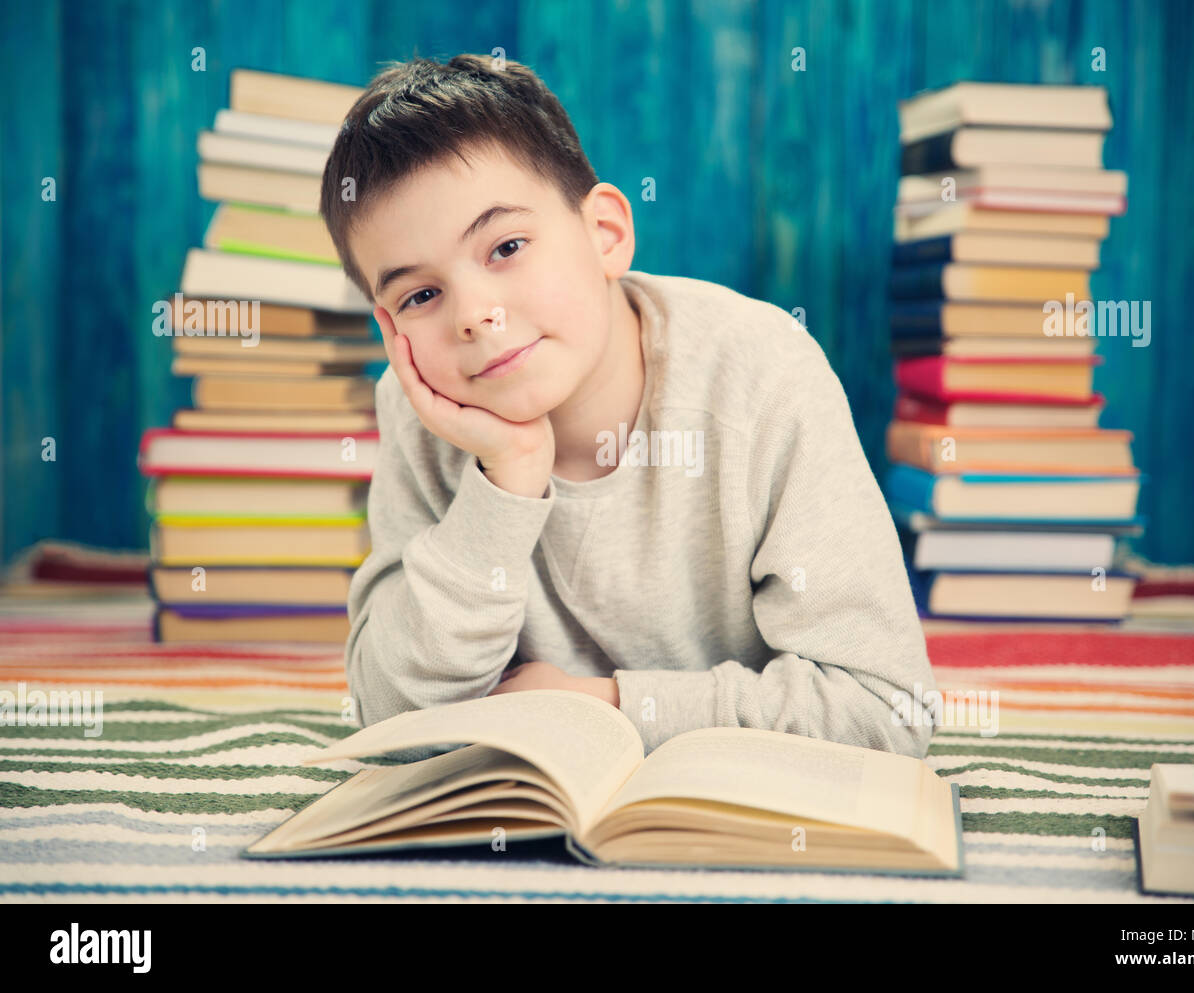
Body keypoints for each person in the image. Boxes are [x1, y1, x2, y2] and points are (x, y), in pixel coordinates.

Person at [319, 53, 938, 757]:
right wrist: (507, 477)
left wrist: (605, 705)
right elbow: (393, 716)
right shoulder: (422, 408)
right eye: (420, 296)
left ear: (604, 234)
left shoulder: (762, 372)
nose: (473, 314)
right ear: (390, 328)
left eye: (506, 246)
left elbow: (888, 706)